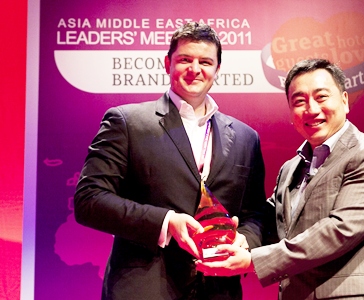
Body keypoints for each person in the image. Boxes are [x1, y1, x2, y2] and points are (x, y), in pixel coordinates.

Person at [74, 21, 267, 300]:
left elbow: (256, 214)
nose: (195, 69)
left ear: (217, 70)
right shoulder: (127, 123)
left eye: (205, 61)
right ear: (167, 63)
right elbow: (89, 200)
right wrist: (165, 221)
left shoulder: (246, 137)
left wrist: (244, 241)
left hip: (218, 289)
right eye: (184, 59)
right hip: (144, 288)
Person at [195, 58, 364, 300]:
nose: (311, 109)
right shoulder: (291, 168)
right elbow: (269, 219)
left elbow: (339, 231)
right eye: (299, 101)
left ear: (345, 101)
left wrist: (252, 261)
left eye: (321, 97)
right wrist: (241, 239)